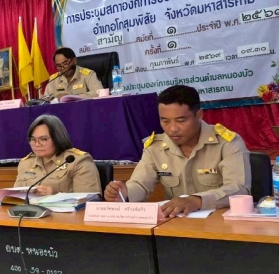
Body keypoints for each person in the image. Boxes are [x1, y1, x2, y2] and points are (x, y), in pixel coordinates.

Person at [104, 85, 250, 218]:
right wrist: (125, 193)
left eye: (181, 120)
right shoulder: (155, 147)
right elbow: (140, 185)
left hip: (220, 223)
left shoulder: (228, 143)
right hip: (176, 225)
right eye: (165, 121)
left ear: (199, 115)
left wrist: (196, 201)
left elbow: (239, 189)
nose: (172, 129)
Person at [15, 114, 102, 195]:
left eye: (43, 139)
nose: (37, 144)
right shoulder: (25, 164)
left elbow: (88, 200)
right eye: (33, 139)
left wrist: (55, 195)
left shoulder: (77, 161)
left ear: (57, 138)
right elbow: (15, 197)